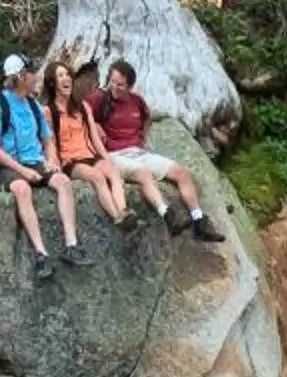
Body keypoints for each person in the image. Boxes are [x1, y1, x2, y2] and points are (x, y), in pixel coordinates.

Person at [88, 60, 226, 243]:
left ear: (130, 85)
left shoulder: (137, 101)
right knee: (143, 173)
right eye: (112, 81)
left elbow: (147, 118)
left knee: (181, 173)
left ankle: (199, 220)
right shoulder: (100, 99)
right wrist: (95, 125)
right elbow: (80, 113)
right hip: (114, 154)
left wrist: (142, 138)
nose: (115, 87)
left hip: (138, 151)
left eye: (120, 84)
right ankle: (168, 215)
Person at [0, 52, 90, 278]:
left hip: (35, 160)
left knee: (63, 182)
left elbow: (48, 139)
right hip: (9, 166)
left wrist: (51, 161)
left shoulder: (32, 105)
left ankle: (71, 244)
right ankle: (41, 254)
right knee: (22, 189)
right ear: (21, 76)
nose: (35, 77)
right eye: (31, 73)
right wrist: (22, 171)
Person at [45, 58, 128, 230]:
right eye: (60, 76)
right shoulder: (48, 111)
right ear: (52, 83)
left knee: (112, 171)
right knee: (97, 177)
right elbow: (50, 141)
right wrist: (53, 162)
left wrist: (106, 158)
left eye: (67, 74)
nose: (66, 78)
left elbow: (94, 136)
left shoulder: (82, 106)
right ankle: (117, 217)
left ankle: (124, 212)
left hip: (90, 154)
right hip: (70, 160)